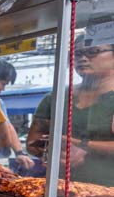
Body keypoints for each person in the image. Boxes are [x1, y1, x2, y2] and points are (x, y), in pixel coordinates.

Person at [27, 27, 114, 186]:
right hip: (59, 191)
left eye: (93, 51)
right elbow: (33, 143)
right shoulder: (56, 97)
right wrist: (50, 150)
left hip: (108, 195)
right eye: (77, 54)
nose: (82, 58)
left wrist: (82, 146)